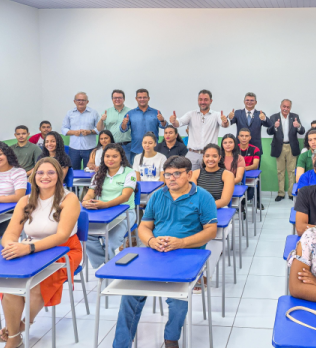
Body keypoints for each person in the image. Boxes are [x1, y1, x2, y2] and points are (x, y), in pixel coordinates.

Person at [112, 156, 217, 348]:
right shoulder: (157, 196)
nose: (171, 178)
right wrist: (151, 241)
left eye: (177, 174)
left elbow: (211, 231)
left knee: (178, 298)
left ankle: (171, 338)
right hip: (155, 253)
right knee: (130, 292)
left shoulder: (203, 197)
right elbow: (144, 226)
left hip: (188, 254)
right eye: (168, 174)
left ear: (189, 174)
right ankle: (121, 344)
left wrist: (182, 242)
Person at [0, 158, 81, 347]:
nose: (45, 176)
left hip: (63, 250)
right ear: (33, 176)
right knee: (11, 284)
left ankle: (22, 325)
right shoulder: (25, 201)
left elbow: (61, 236)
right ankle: (14, 336)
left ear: (59, 176)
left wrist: (28, 248)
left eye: (51, 172)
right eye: (40, 172)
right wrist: (11, 246)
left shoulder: (69, 199)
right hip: (31, 250)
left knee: (36, 286)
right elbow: (10, 234)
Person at [81, 143, 137, 268]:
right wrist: (85, 202)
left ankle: (109, 267)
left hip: (125, 213)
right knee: (86, 235)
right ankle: (104, 264)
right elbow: (90, 193)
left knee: (110, 240)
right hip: (102, 214)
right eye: (107, 156)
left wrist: (105, 204)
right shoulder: (99, 173)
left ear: (121, 158)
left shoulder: (129, 172)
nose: (110, 159)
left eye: (114, 156)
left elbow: (125, 196)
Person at [170, 90, 230, 170]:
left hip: (210, 155)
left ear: (211, 101)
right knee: (189, 176)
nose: (203, 102)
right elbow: (178, 123)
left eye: (206, 99)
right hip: (192, 154)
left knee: (209, 177)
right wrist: (174, 121)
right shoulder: (191, 114)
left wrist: (225, 122)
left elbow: (224, 125)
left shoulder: (216, 115)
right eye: (200, 99)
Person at [267, 99, 305, 201]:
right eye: (284, 106)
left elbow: (302, 131)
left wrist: (298, 126)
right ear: (280, 106)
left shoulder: (295, 117)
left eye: (288, 107)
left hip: (291, 147)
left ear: (290, 108)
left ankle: (291, 193)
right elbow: (269, 132)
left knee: (292, 171)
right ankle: (281, 193)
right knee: (280, 171)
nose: (285, 109)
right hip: (279, 147)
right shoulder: (274, 117)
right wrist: (274, 127)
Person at [119, 88, 167, 164]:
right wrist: (124, 124)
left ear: (148, 98)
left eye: (144, 97)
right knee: (135, 170)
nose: (142, 99)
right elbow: (123, 130)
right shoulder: (130, 114)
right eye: (140, 97)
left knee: (154, 170)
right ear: (136, 99)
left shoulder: (156, 112)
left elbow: (164, 126)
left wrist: (162, 120)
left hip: (153, 150)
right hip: (136, 149)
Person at [61, 92, 99, 170]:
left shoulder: (94, 113)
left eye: (83, 100)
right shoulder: (69, 113)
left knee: (90, 171)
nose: (81, 102)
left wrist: (90, 132)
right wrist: (74, 132)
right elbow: (63, 129)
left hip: (90, 148)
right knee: (73, 171)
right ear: (74, 101)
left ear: (87, 102)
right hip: (74, 148)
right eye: (78, 100)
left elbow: (99, 129)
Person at [190, 144, 234, 208]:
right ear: (203, 157)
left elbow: (225, 200)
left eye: (214, 156)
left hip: (218, 208)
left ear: (219, 158)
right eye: (207, 156)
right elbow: (192, 196)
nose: (210, 159)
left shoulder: (227, 175)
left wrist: (206, 207)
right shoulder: (195, 173)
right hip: (198, 208)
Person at [96, 89, 132, 162]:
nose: (117, 99)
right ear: (112, 99)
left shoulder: (130, 112)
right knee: (111, 166)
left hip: (127, 145)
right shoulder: (107, 112)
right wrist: (102, 120)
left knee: (127, 166)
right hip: (111, 146)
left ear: (124, 99)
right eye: (115, 98)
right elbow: (99, 129)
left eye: (120, 97)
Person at [238, 128, 262, 209]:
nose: (244, 138)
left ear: (250, 138)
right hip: (236, 176)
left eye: (246, 136)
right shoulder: (234, 149)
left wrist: (242, 169)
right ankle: (240, 206)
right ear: (238, 137)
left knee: (249, 195)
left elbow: (255, 165)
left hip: (249, 176)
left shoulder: (255, 149)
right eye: (242, 136)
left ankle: (242, 204)